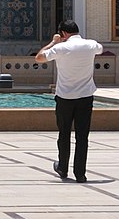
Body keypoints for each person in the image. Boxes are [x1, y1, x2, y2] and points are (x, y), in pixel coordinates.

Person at [36, 19, 103, 182]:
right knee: (82, 136)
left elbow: (38, 58)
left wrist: (53, 42)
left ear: (64, 33)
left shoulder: (60, 47)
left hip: (65, 97)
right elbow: (100, 49)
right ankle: (80, 173)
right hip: (85, 97)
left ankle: (63, 167)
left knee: (64, 134)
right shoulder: (91, 45)